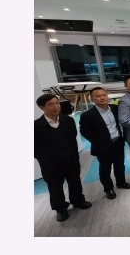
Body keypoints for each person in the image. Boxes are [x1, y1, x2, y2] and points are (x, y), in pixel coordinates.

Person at [34, 94, 91, 222]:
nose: (56, 107)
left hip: (70, 159)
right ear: (42, 108)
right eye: (50, 104)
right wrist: (46, 161)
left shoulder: (68, 120)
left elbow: (73, 139)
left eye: (57, 103)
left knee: (75, 181)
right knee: (55, 187)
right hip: (51, 164)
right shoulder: (36, 126)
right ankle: (60, 209)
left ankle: (78, 200)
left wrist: (75, 157)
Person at [79, 87, 130, 200]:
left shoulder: (115, 108)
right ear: (92, 99)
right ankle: (108, 189)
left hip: (117, 141)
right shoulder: (88, 115)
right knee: (105, 168)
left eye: (104, 95)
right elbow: (84, 132)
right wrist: (97, 142)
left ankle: (121, 182)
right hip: (102, 146)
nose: (102, 97)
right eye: (98, 96)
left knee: (119, 164)